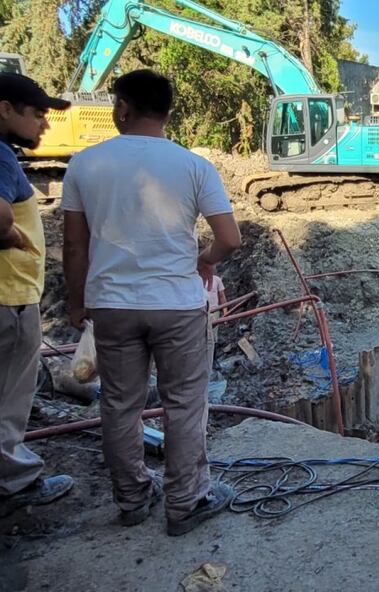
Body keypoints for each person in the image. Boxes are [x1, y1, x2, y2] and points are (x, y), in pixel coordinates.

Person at [61, 69, 242, 536]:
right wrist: (204, 261)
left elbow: (75, 247)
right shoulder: (193, 165)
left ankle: (133, 499)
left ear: (122, 108)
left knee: (120, 405)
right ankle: (186, 502)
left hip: (112, 306)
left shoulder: (84, 163)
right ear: (166, 111)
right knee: (185, 404)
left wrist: (77, 303)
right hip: (177, 305)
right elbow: (230, 238)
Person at [0, 74, 74, 517]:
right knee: (9, 395)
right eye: (38, 114)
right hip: (9, 298)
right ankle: (15, 482)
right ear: (5, 109)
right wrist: (10, 238)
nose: (44, 125)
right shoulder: (2, 157)